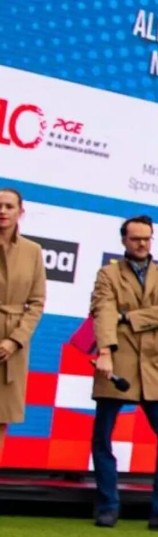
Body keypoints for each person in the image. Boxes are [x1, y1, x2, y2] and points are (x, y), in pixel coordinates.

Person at [89, 214, 158, 534]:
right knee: (103, 435)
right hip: (118, 360)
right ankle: (108, 505)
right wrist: (106, 352)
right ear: (124, 240)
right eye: (136, 238)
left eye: (147, 238)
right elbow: (103, 311)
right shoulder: (108, 273)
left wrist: (128, 316)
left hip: (154, 364)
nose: (142, 243)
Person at [0, 188, 46, 460]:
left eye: (8, 206)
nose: (2, 211)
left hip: (11, 346)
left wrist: (15, 340)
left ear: (20, 212)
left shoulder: (32, 251)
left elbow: (37, 302)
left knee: (1, 416)